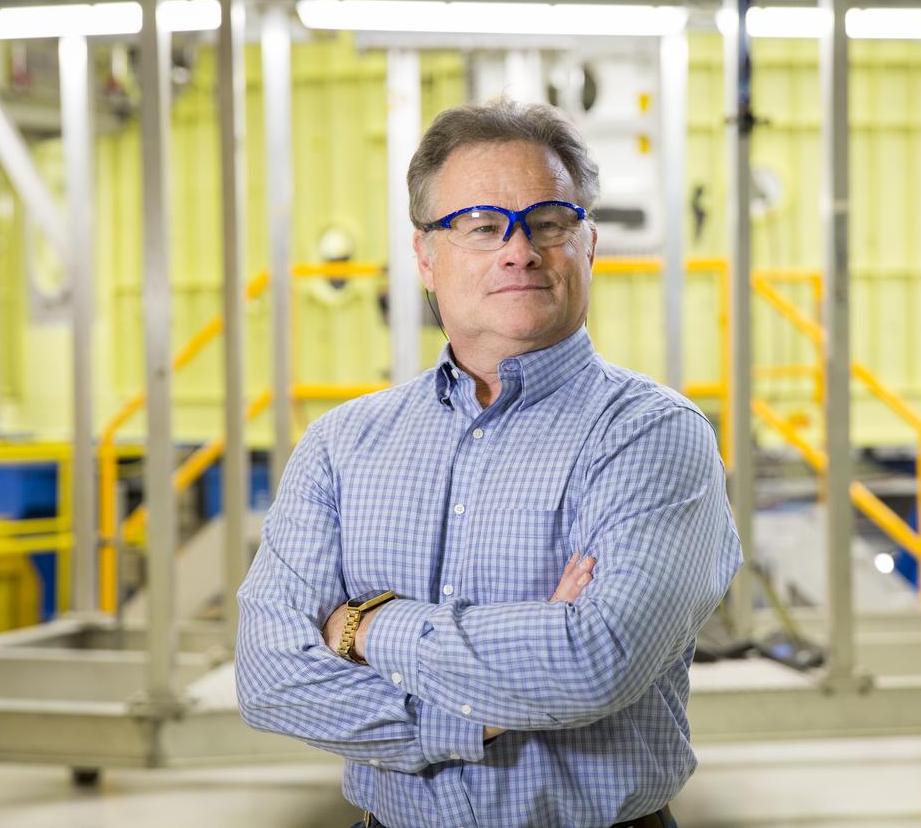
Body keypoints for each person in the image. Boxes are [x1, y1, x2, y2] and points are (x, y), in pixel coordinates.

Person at [236, 100, 742, 828]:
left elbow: (595, 659)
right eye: (480, 225)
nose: (519, 250)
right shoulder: (340, 444)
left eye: (548, 222)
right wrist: (486, 709)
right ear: (425, 257)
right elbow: (269, 675)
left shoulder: (654, 435)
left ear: (589, 243)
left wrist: (366, 628)